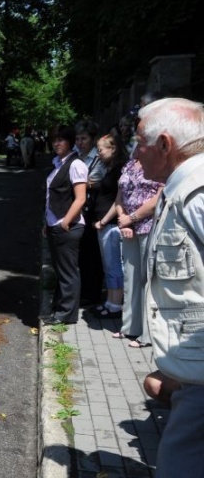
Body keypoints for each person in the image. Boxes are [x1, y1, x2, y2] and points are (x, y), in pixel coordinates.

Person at [133, 97, 204, 478]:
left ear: (165, 143)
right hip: (194, 380)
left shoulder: (197, 194)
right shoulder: (184, 188)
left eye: (139, 144)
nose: (134, 155)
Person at [102, 155, 163, 347]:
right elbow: (120, 196)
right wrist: (124, 220)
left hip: (149, 226)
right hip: (129, 227)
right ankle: (130, 326)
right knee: (130, 277)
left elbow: (158, 198)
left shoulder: (159, 162)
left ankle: (147, 334)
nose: (138, 142)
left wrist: (133, 218)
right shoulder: (129, 164)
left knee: (147, 279)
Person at [41, 125, 88, 326]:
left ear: (70, 142)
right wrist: (47, 222)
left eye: (61, 139)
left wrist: (66, 222)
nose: (57, 143)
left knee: (68, 272)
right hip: (54, 224)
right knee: (61, 271)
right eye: (54, 140)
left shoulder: (76, 165)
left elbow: (80, 199)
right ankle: (60, 308)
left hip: (68, 226)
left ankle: (66, 314)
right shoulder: (58, 164)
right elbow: (51, 196)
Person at [89, 134, 126, 318]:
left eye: (101, 149)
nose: (99, 153)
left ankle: (115, 305)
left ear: (113, 149)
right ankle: (111, 301)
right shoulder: (112, 169)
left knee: (114, 267)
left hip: (110, 224)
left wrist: (103, 220)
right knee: (109, 266)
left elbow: (119, 200)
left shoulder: (120, 170)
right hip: (104, 224)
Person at [75, 119, 104, 307]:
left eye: (83, 138)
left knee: (92, 253)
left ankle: (93, 294)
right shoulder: (77, 156)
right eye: (77, 138)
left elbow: (97, 181)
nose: (79, 142)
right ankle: (83, 291)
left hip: (93, 210)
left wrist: (79, 183)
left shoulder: (98, 158)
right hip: (80, 209)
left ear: (93, 139)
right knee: (81, 253)